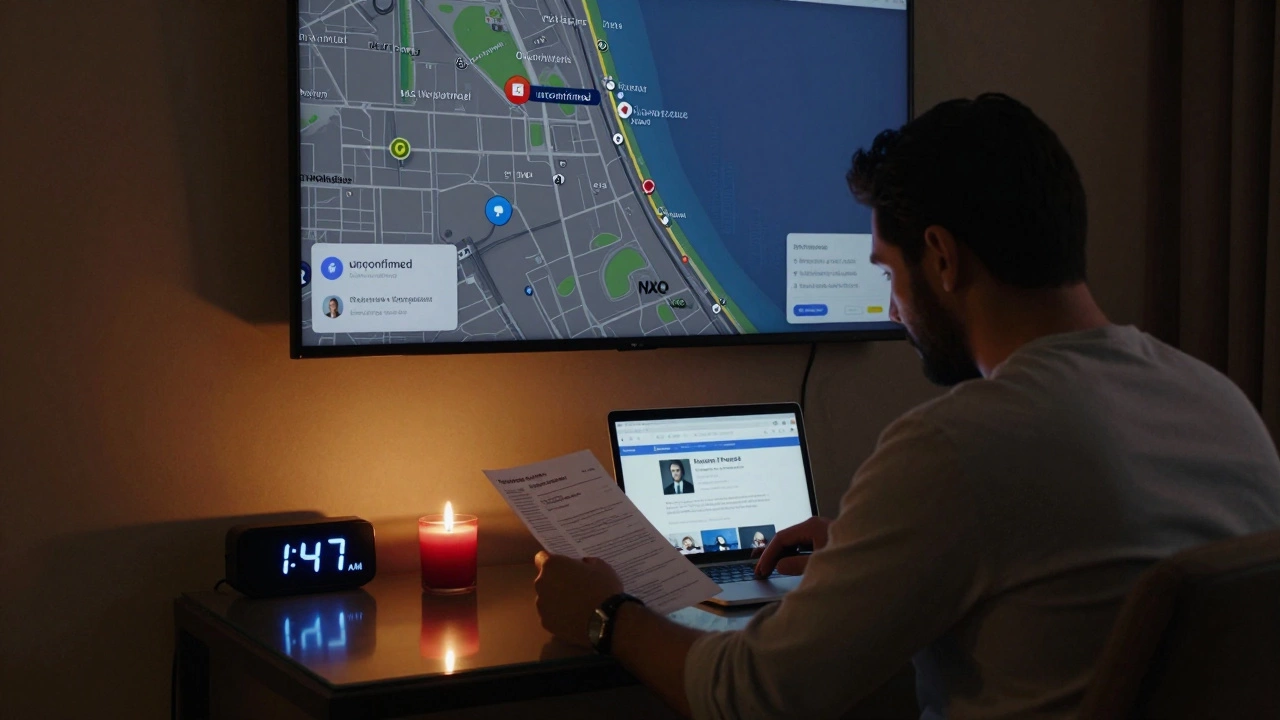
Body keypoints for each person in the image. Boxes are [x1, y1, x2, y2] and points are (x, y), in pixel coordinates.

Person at [531, 94, 1280, 719]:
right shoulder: (1223, 406)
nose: (893, 308)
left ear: (943, 258)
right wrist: (875, 547)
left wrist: (606, 615)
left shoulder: (958, 448)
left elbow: (750, 697)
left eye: (890, 271)